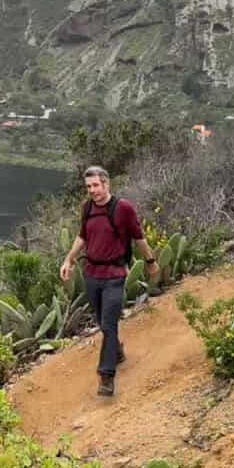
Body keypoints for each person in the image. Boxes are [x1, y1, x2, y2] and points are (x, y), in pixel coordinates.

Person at [59, 165, 157, 396]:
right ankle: (117, 352)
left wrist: (151, 262)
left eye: (96, 185)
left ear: (106, 184)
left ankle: (106, 376)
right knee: (104, 324)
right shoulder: (87, 208)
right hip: (91, 274)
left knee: (109, 324)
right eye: (88, 187)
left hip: (115, 275)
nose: (92, 190)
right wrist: (68, 260)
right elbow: (83, 236)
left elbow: (138, 237)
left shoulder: (123, 208)